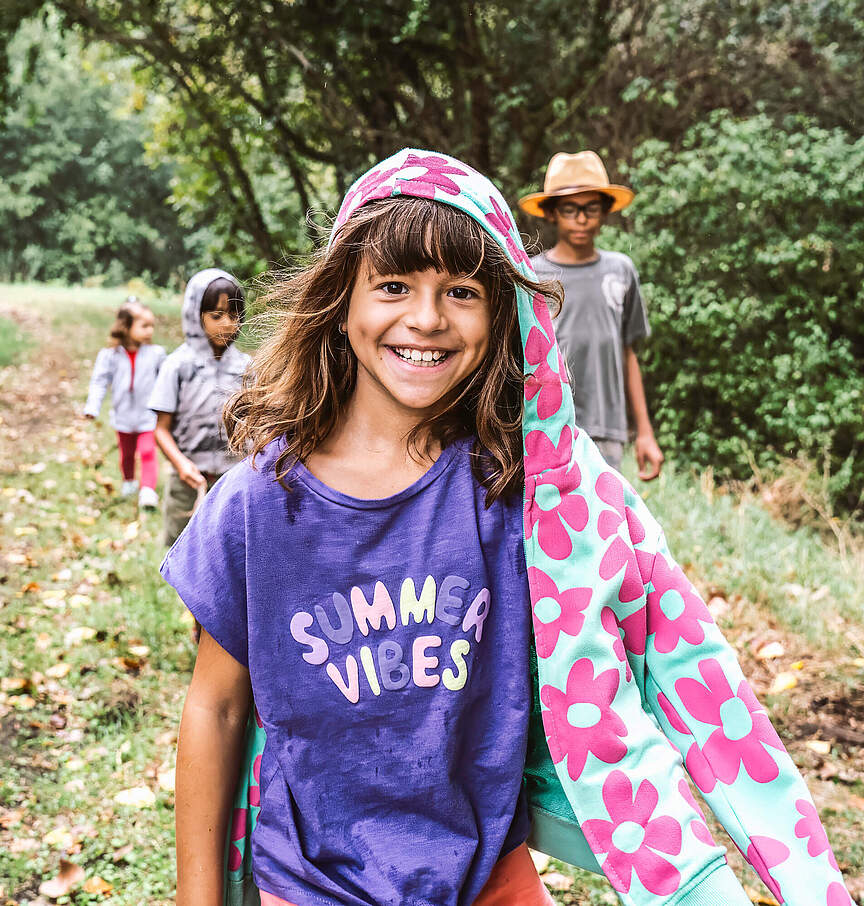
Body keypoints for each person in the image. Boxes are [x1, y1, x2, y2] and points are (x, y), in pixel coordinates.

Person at [164, 149, 846, 906]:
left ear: (501, 313)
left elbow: (683, 664)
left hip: (490, 875)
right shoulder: (259, 504)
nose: (425, 318)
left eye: (460, 290)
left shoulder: (530, 494)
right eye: (393, 285)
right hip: (316, 881)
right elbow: (216, 706)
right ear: (341, 299)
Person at [519, 151, 664, 479]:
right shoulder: (533, 276)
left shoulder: (620, 271)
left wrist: (644, 432)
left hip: (607, 429)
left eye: (590, 209)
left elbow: (627, 354)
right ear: (553, 213)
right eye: (570, 209)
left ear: (604, 212)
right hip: (547, 426)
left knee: (604, 524)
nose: (581, 219)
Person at [148, 269, 250, 546]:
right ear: (196, 315)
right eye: (216, 316)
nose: (227, 324)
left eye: (234, 315)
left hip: (234, 483)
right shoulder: (178, 365)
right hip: (188, 483)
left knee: (229, 552)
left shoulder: (246, 368)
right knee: (186, 553)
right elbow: (161, 429)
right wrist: (182, 465)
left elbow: (256, 424)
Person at [84, 298, 166, 508]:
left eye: (152, 326)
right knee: (127, 454)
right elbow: (99, 382)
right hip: (123, 415)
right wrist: (92, 406)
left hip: (148, 415)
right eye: (144, 326)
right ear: (126, 326)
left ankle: (147, 491)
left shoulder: (156, 354)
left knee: (147, 451)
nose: (149, 331)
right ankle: (129, 482)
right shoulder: (109, 356)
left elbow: (166, 381)